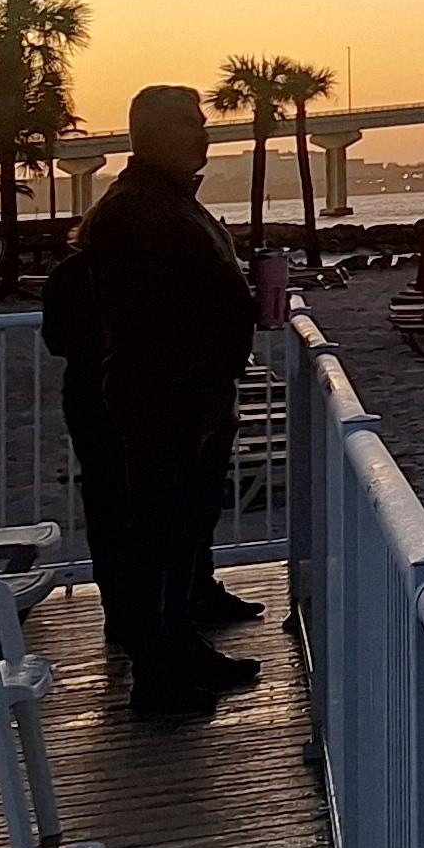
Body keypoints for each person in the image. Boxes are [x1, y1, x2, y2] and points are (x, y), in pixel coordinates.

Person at [38, 84, 262, 721]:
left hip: (193, 395)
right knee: (154, 537)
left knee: (180, 530)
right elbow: (148, 317)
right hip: (162, 399)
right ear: (152, 134)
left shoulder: (167, 204)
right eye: (191, 124)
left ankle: (181, 648)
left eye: (203, 122)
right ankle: (157, 674)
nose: (204, 134)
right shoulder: (136, 211)